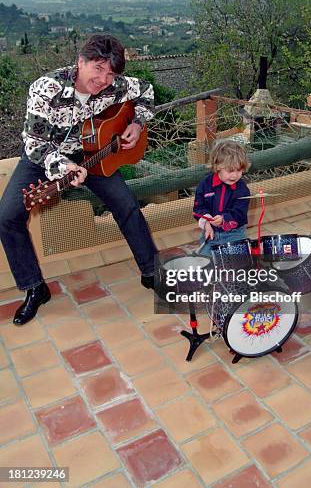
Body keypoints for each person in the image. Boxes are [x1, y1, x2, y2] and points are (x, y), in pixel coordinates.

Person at [0, 34, 157, 326]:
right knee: (7, 216)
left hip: (94, 153)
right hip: (45, 157)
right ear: (81, 62)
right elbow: (34, 144)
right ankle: (35, 288)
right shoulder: (47, 88)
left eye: (111, 73)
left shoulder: (116, 85)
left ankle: (151, 272)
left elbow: (146, 91)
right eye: (98, 69)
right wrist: (64, 167)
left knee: (127, 205)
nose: (104, 79)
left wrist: (136, 124)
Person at [193, 140, 250, 257]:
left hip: (235, 234)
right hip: (210, 233)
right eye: (230, 171)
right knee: (205, 263)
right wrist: (207, 223)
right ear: (217, 166)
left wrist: (224, 218)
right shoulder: (205, 185)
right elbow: (198, 209)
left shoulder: (242, 189)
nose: (235, 175)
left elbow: (240, 213)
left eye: (239, 170)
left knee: (238, 264)